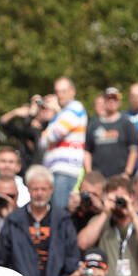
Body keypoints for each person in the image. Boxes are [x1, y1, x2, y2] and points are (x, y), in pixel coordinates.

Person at [0, 165, 79, 276]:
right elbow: (1, 259)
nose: (39, 194)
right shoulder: (14, 220)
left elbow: (72, 259)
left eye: (43, 189)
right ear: (28, 189)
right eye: (35, 189)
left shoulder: (63, 220)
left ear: (51, 189)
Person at [39, 76, 89, 210]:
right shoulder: (62, 114)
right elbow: (42, 143)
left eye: (63, 91)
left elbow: (53, 135)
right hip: (54, 170)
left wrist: (56, 112)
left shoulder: (75, 108)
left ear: (72, 91)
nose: (60, 95)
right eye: (57, 92)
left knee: (59, 214)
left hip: (66, 170)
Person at [85, 87, 137, 179]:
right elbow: (87, 151)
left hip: (120, 178)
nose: (112, 101)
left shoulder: (126, 123)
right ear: (104, 101)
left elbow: (134, 150)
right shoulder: (94, 124)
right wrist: (89, 173)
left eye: (115, 99)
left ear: (120, 102)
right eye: (108, 98)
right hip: (99, 178)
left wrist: (127, 173)